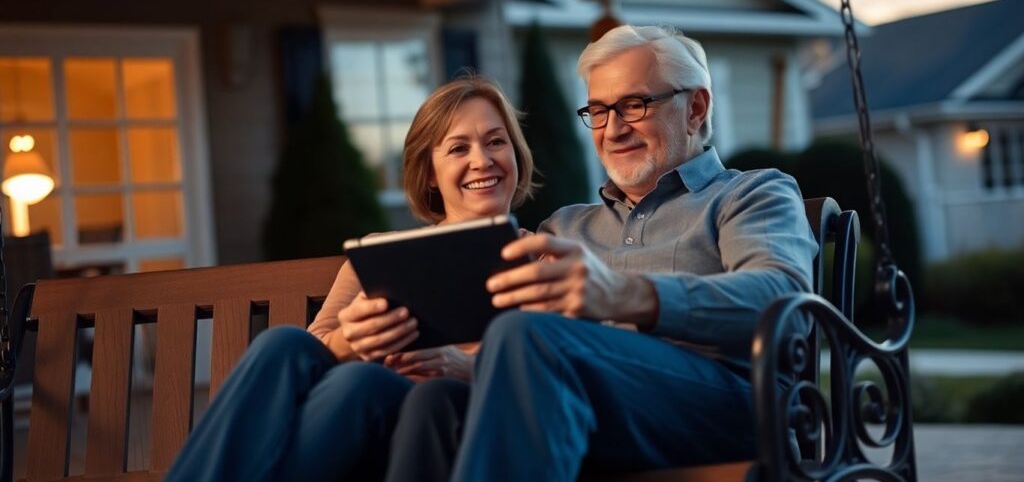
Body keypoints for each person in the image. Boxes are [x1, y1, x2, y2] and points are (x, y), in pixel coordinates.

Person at [427, 25, 819, 480]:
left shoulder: (751, 194)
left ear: (695, 107)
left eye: (634, 105)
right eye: (597, 111)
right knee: (436, 400)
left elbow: (782, 299)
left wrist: (626, 295)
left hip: (727, 411)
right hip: (597, 416)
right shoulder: (565, 226)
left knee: (529, 335)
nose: (613, 130)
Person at [165, 76, 535, 482]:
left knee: (364, 381)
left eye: (496, 141)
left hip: (446, 420)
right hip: (352, 425)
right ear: (430, 173)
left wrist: (465, 364)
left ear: (515, 153)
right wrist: (352, 340)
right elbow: (315, 349)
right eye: (458, 148)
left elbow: (557, 366)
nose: (482, 160)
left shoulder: (543, 257)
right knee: (284, 342)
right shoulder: (381, 255)